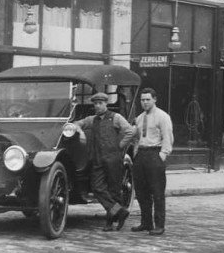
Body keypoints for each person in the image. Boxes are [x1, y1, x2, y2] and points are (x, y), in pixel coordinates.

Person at [74, 92, 136, 231]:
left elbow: (130, 132)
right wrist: (77, 128)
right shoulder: (92, 119)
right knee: (97, 187)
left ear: (106, 104)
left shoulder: (116, 118)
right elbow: (79, 123)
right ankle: (120, 212)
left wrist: (120, 145)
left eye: (100, 103)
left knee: (114, 191)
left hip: (113, 159)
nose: (97, 106)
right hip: (98, 159)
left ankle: (110, 222)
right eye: (95, 104)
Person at [130, 87, 173, 236]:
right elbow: (137, 137)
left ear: (155, 99)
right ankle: (146, 222)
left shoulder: (162, 116)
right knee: (141, 192)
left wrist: (162, 155)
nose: (145, 102)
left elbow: (168, 137)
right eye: (142, 100)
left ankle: (159, 225)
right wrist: (136, 152)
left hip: (155, 155)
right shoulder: (140, 117)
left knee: (157, 192)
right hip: (141, 155)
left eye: (148, 99)